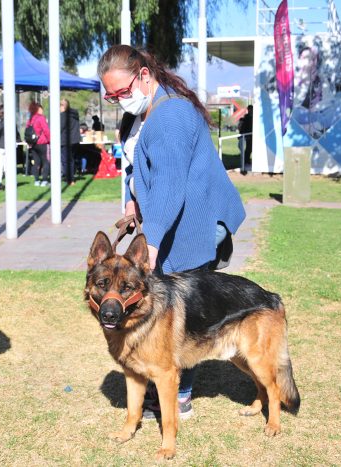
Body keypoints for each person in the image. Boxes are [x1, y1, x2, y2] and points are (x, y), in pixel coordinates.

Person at [98, 45, 246, 421]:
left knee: (183, 309)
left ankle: (179, 393)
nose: (118, 101)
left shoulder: (173, 115)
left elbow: (169, 185)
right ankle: (162, 384)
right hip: (169, 221)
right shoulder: (140, 115)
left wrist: (150, 244)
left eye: (121, 92)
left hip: (195, 225)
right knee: (164, 307)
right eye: (110, 96)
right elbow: (138, 168)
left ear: (144, 75)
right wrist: (133, 205)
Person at [0, 104, 21, 187]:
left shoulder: (0, 124)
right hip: (9, 147)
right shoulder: (12, 123)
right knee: (8, 167)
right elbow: (16, 135)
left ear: (0, 113)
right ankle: (11, 183)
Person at [26, 101, 50, 186]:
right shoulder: (41, 118)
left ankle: (36, 180)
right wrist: (51, 140)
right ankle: (44, 180)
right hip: (42, 142)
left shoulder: (30, 119)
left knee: (36, 162)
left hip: (33, 144)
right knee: (46, 161)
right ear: (39, 109)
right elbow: (46, 130)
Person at [60, 98, 81, 186]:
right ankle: (70, 178)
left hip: (65, 141)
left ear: (63, 106)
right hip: (75, 141)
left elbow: (60, 127)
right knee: (71, 160)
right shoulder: (74, 114)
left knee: (66, 161)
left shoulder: (63, 116)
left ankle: (70, 179)